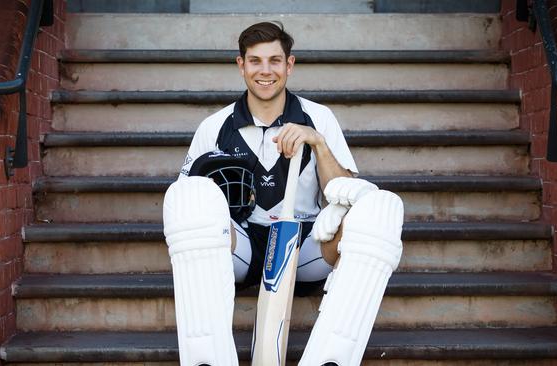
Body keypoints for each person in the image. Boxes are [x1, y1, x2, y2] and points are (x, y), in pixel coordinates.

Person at [162, 21, 404, 366]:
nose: (265, 71)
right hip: (239, 245)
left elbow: (347, 193)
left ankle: (331, 357)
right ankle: (207, 358)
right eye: (256, 61)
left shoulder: (318, 117)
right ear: (241, 65)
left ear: (289, 65)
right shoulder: (214, 126)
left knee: (376, 211)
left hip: (302, 244)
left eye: (275, 61)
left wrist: (317, 142)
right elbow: (186, 198)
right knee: (190, 202)